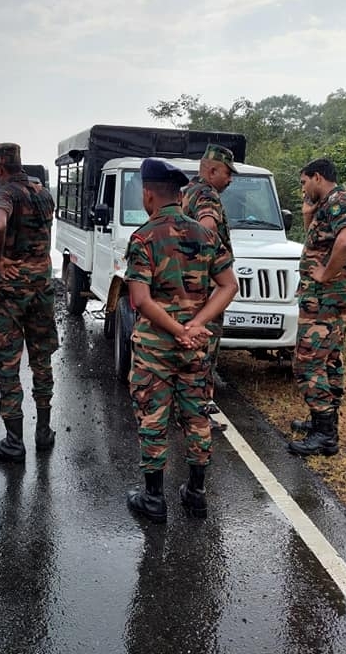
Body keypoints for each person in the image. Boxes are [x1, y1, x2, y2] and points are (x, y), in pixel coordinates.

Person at [124, 158, 239, 522]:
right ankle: (196, 493)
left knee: (153, 418)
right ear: (179, 194)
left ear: (148, 195)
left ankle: (154, 499)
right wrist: (196, 324)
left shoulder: (144, 237)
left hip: (155, 349)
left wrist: (176, 331)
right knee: (197, 416)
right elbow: (229, 285)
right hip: (195, 348)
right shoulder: (206, 236)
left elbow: (141, 300)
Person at [0, 143, 59, 463]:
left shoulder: (7, 193)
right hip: (42, 285)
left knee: (9, 363)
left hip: (14, 290)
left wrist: (0, 259)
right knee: (41, 359)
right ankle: (44, 431)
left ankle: (15, 441)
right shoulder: (43, 192)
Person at [288, 158, 346, 456]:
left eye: (305, 182)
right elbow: (318, 242)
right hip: (327, 295)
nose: (303, 189)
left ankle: (325, 434)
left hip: (326, 295)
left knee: (307, 361)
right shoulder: (328, 204)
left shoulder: (339, 202)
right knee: (329, 358)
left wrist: (325, 274)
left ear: (317, 177)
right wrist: (308, 213)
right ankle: (325, 425)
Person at [181, 143, 238, 416]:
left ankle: (185, 405)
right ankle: (199, 411)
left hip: (183, 289)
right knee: (204, 346)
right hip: (206, 289)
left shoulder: (186, 192)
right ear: (212, 170)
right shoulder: (207, 195)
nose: (229, 180)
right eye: (228, 173)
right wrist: (209, 267)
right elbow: (208, 226)